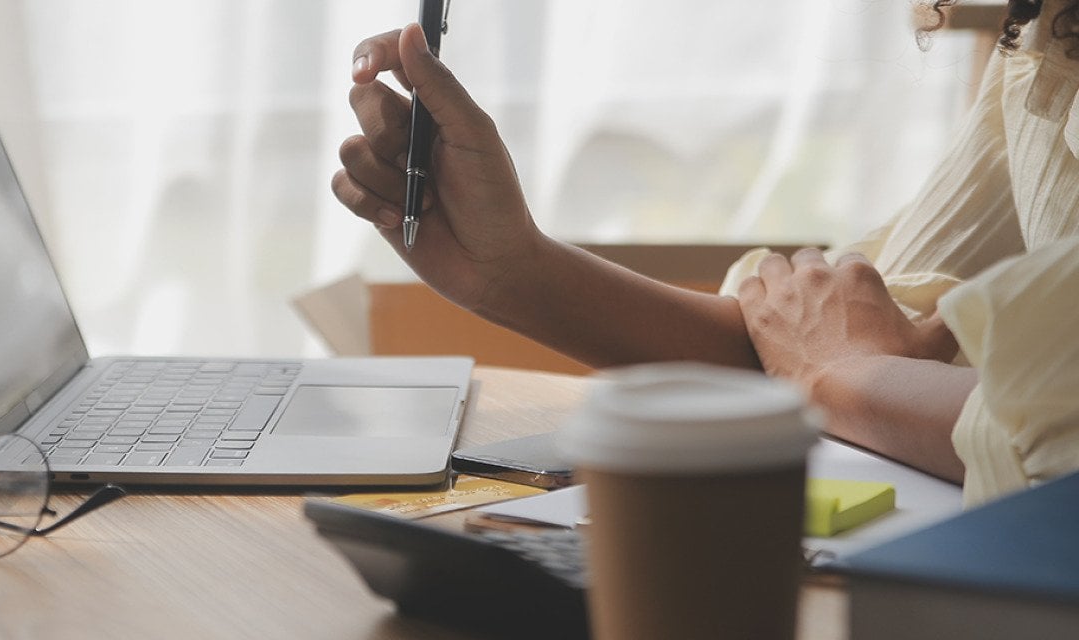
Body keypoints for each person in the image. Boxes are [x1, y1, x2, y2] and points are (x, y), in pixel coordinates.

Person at [332, 0, 1079, 506]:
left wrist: (850, 374)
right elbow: (814, 346)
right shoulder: (1047, 33)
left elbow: (1032, 430)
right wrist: (514, 272)